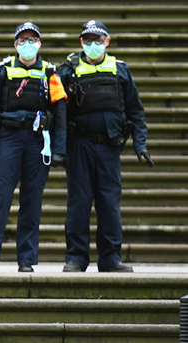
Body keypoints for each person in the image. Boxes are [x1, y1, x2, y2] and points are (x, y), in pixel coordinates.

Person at [59, 20, 151, 273]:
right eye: (87, 40)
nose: (93, 45)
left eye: (98, 40)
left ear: (107, 41)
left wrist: (140, 144)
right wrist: (58, 148)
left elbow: (135, 111)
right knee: (79, 203)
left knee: (109, 203)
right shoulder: (67, 71)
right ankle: (76, 258)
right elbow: (57, 112)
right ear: (81, 42)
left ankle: (110, 258)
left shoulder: (120, 70)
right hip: (79, 146)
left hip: (110, 147)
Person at [0, 22, 68, 273]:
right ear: (15, 44)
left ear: (39, 44)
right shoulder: (4, 69)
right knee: (0, 198)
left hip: (38, 141)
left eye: (32, 40)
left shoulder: (50, 72)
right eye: (22, 41)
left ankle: (26, 259)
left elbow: (60, 112)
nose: (27, 45)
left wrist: (60, 149)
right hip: (8, 138)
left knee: (32, 201)